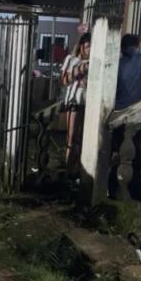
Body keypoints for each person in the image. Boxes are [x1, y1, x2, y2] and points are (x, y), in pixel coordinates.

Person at [61, 33, 91, 177]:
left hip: (89, 103)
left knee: (83, 137)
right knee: (71, 137)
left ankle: (80, 169)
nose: (89, 50)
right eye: (87, 47)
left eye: (92, 46)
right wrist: (77, 71)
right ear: (81, 47)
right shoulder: (72, 60)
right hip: (74, 100)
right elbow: (64, 81)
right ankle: (68, 167)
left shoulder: (94, 61)